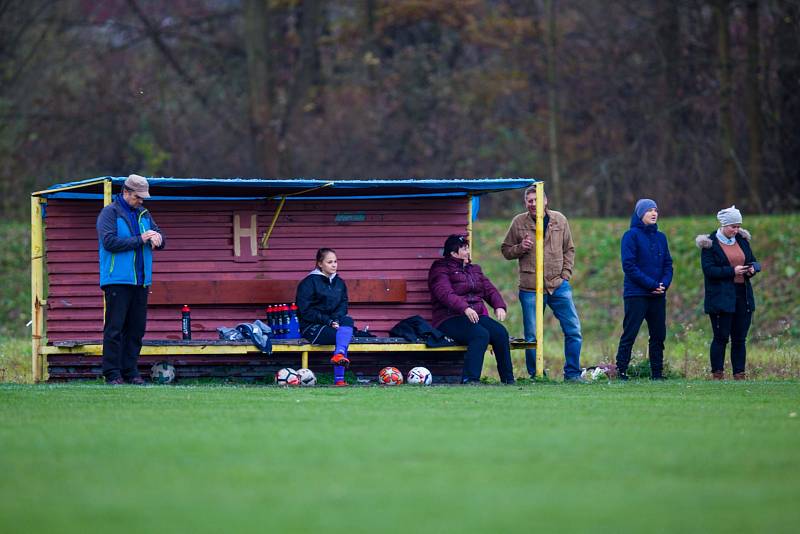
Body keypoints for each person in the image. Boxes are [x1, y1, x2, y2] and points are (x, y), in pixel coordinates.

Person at [501, 186, 583, 381]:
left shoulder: (560, 220)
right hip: (530, 287)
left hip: (558, 285)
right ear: (525, 203)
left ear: (545, 201)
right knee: (531, 336)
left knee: (573, 330)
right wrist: (521, 248)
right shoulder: (518, 222)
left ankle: (572, 374)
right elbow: (505, 250)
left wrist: (566, 274)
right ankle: (536, 374)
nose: (533, 204)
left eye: (536, 200)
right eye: (529, 200)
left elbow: (569, 249)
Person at [97, 174, 165, 385]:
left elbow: (159, 237)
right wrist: (141, 239)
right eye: (138, 197)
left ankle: (131, 372)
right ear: (125, 192)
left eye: (143, 198)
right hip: (117, 279)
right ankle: (112, 373)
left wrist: (159, 239)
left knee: (136, 330)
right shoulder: (109, 213)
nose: (141, 201)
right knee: (115, 329)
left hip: (141, 281)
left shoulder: (144, 214)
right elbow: (109, 242)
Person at [428, 234, 514, 384]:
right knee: (480, 335)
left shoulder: (474, 269)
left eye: (468, 248)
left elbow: (489, 289)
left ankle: (508, 380)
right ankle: (470, 379)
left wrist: (499, 305)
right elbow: (445, 293)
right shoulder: (439, 269)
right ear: (453, 253)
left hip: (475, 316)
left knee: (500, 333)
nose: (468, 251)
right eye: (464, 249)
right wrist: (465, 308)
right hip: (449, 318)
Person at [696, 206, 759, 380]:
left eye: (738, 226)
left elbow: (753, 260)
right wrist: (733, 271)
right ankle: (718, 374)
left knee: (739, 339)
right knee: (721, 337)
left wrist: (752, 269)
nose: (736, 230)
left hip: (743, 295)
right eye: (733, 226)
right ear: (724, 224)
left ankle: (739, 375)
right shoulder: (709, 244)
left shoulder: (742, 240)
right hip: (720, 297)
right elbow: (709, 270)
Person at [614, 198, 673, 380]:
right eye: (649, 210)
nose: (654, 213)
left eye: (656, 210)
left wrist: (663, 284)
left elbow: (668, 265)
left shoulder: (661, 237)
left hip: (657, 295)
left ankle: (657, 374)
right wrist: (652, 285)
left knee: (658, 336)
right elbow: (629, 266)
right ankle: (621, 372)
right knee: (630, 334)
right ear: (640, 214)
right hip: (636, 294)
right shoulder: (630, 236)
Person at [295, 248, 354, 387]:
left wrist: (335, 320)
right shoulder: (308, 283)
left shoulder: (339, 282)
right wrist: (328, 321)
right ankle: (339, 380)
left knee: (348, 321)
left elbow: (343, 305)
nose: (334, 265)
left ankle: (338, 355)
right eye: (329, 262)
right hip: (311, 325)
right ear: (320, 264)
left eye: (335, 261)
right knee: (342, 336)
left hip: (334, 324)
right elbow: (305, 311)